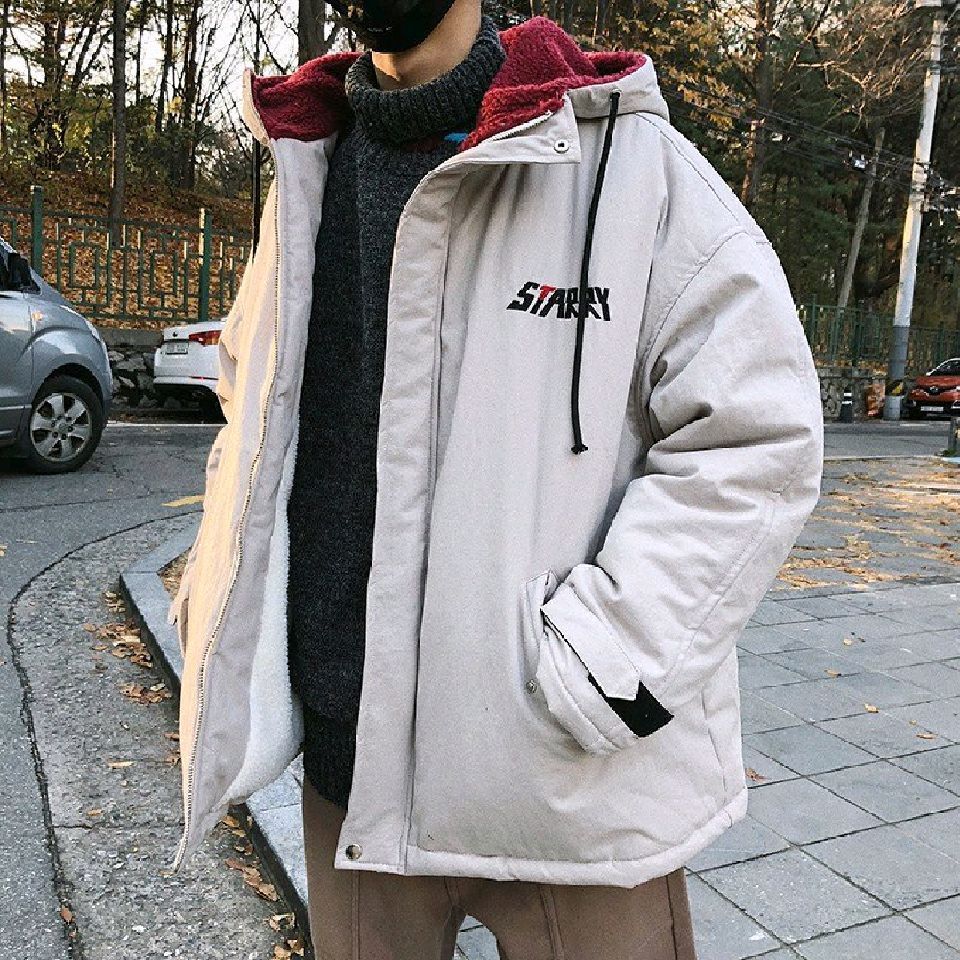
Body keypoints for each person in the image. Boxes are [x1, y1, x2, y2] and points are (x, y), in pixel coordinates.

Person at [167, 0, 825, 956]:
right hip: (350, 774)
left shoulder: (628, 164)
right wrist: (214, 592)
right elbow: (252, 403)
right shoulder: (306, 163)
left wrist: (609, 662)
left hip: (565, 780)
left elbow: (756, 432)